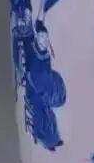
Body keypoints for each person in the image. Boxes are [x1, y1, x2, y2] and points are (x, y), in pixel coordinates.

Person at [24, 20, 66, 151]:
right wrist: (41, 91)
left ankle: (53, 139)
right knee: (42, 113)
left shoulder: (45, 54)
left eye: (46, 37)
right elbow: (31, 75)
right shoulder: (33, 53)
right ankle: (46, 140)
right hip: (34, 89)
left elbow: (47, 72)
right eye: (42, 36)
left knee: (50, 115)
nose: (44, 39)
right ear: (37, 37)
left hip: (43, 86)